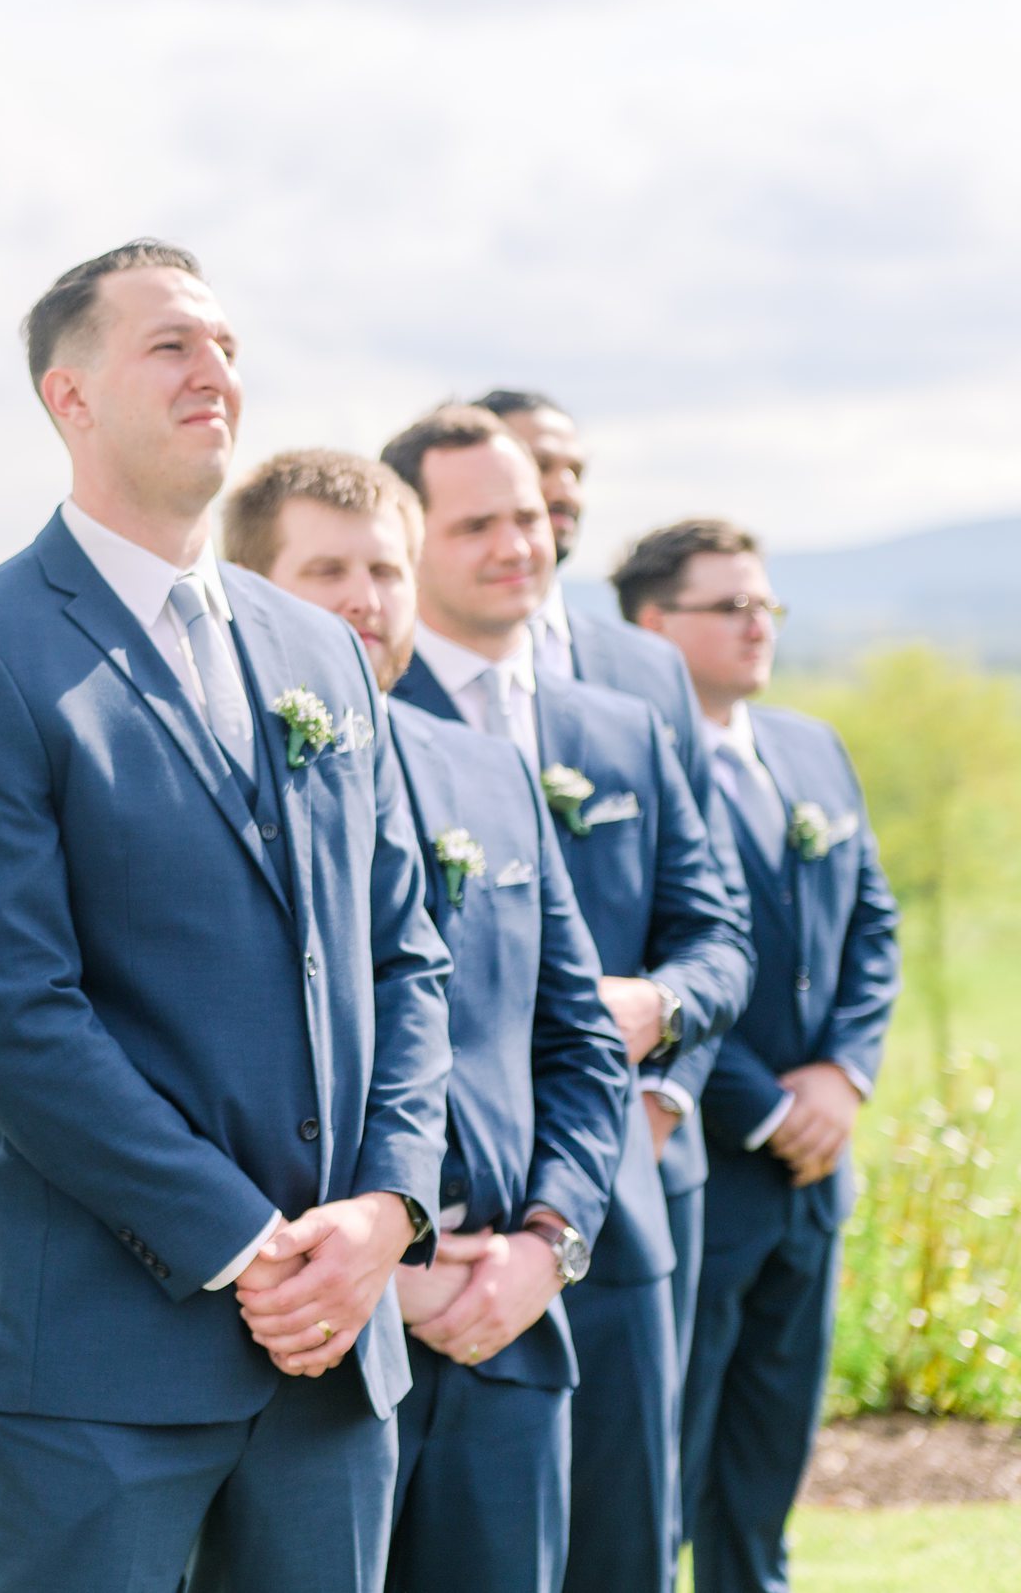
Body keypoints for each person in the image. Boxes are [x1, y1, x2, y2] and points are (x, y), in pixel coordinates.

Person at [0, 241, 452, 1593]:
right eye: (170, 346)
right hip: (99, 1360)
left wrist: (383, 1212)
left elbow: (405, 949)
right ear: (66, 395)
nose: (216, 371)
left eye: (229, 346)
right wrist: (249, 1248)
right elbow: (13, 1014)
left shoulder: (317, 650)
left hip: (332, 1357)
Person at [226, 449, 632, 1593]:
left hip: (501, 1331)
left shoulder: (492, 776)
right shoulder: (213, 789)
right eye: (327, 571)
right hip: (303, 1340)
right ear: (250, 593)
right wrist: (375, 1269)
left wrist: (546, 1250)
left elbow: (580, 1043)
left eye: (387, 571)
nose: (365, 599)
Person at [385, 406, 749, 1593]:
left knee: (622, 1553)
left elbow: (717, 934)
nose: (519, 544)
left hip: (626, 1215)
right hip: (452, 1240)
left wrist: (657, 1031)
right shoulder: (365, 736)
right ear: (415, 537)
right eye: (478, 522)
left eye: (532, 517)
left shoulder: (627, 726)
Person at [477, 387, 755, 1509]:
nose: (559, 494)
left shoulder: (642, 674)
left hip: (648, 1142)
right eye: (536, 467)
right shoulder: (404, 662)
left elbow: (706, 913)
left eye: (574, 472)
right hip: (486, 1170)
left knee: (637, 1491)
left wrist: (670, 1086)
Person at [618, 520, 900, 1593]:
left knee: (768, 1468)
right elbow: (649, 962)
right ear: (654, 623)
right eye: (728, 603)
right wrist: (768, 1111)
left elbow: (873, 923)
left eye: (765, 604)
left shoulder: (811, 746)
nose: (756, 622)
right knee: (666, 1472)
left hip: (815, 1177)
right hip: (703, 1164)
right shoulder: (631, 759)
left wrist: (842, 1075)